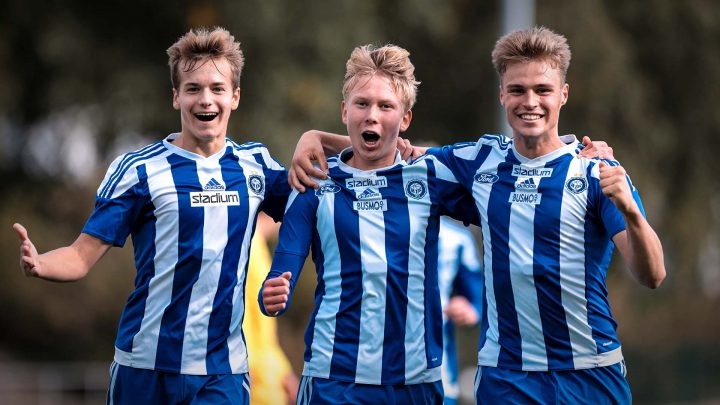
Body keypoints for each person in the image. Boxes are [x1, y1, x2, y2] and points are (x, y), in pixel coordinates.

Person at [290, 27, 666, 404]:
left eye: (543, 90)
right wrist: (316, 138)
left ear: (563, 95)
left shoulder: (595, 171)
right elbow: (393, 154)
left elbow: (652, 274)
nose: (529, 101)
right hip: (506, 378)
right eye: (517, 90)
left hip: (590, 371)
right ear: (502, 94)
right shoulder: (481, 160)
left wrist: (632, 213)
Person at [12, 27, 293, 404]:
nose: (205, 99)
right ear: (176, 97)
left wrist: (322, 140)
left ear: (235, 97)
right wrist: (41, 262)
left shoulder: (256, 166)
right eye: (193, 88)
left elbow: (318, 207)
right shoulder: (138, 170)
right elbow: (80, 257)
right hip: (143, 369)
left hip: (222, 373)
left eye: (216, 88)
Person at [260, 44, 481, 404]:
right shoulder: (316, 183)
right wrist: (271, 293)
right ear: (345, 110)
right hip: (334, 380)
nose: (372, 115)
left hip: (415, 383)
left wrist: (579, 157)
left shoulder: (429, 179)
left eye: (386, 106)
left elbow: (506, 195)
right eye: (362, 104)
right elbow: (283, 267)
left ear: (405, 118)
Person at [243, 212, 299, 405]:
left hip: (265, 376)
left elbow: (262, 329)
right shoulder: (245, 241)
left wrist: (283, 371)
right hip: (248, 375)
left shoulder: (255, 239)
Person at [437, 216, 483, 405]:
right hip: (360, 362)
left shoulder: (456, 238)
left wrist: (470, 309)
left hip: (438, 366)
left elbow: (479, 297)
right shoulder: (358, 226)